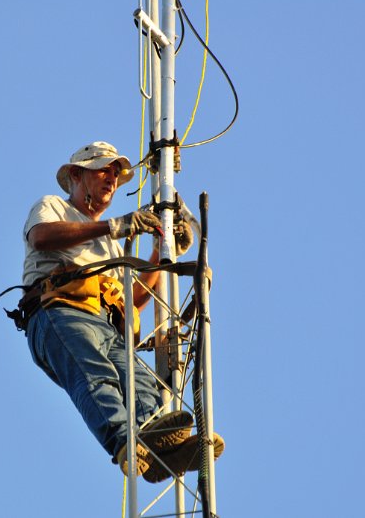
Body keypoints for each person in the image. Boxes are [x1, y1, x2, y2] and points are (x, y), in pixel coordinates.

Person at [21, 141, 223, 482]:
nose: (111, 179)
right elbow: (41, 237)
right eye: (102, 170)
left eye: (115, 173)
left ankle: (160, 449)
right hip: (60, 313)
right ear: (75, 175)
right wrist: (115, 226)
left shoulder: (113, 246)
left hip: (105, 324)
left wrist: (161, 250)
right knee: (96, 375)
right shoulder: (53, 206)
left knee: (141, 382)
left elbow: (132, 299)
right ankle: (126, 442)